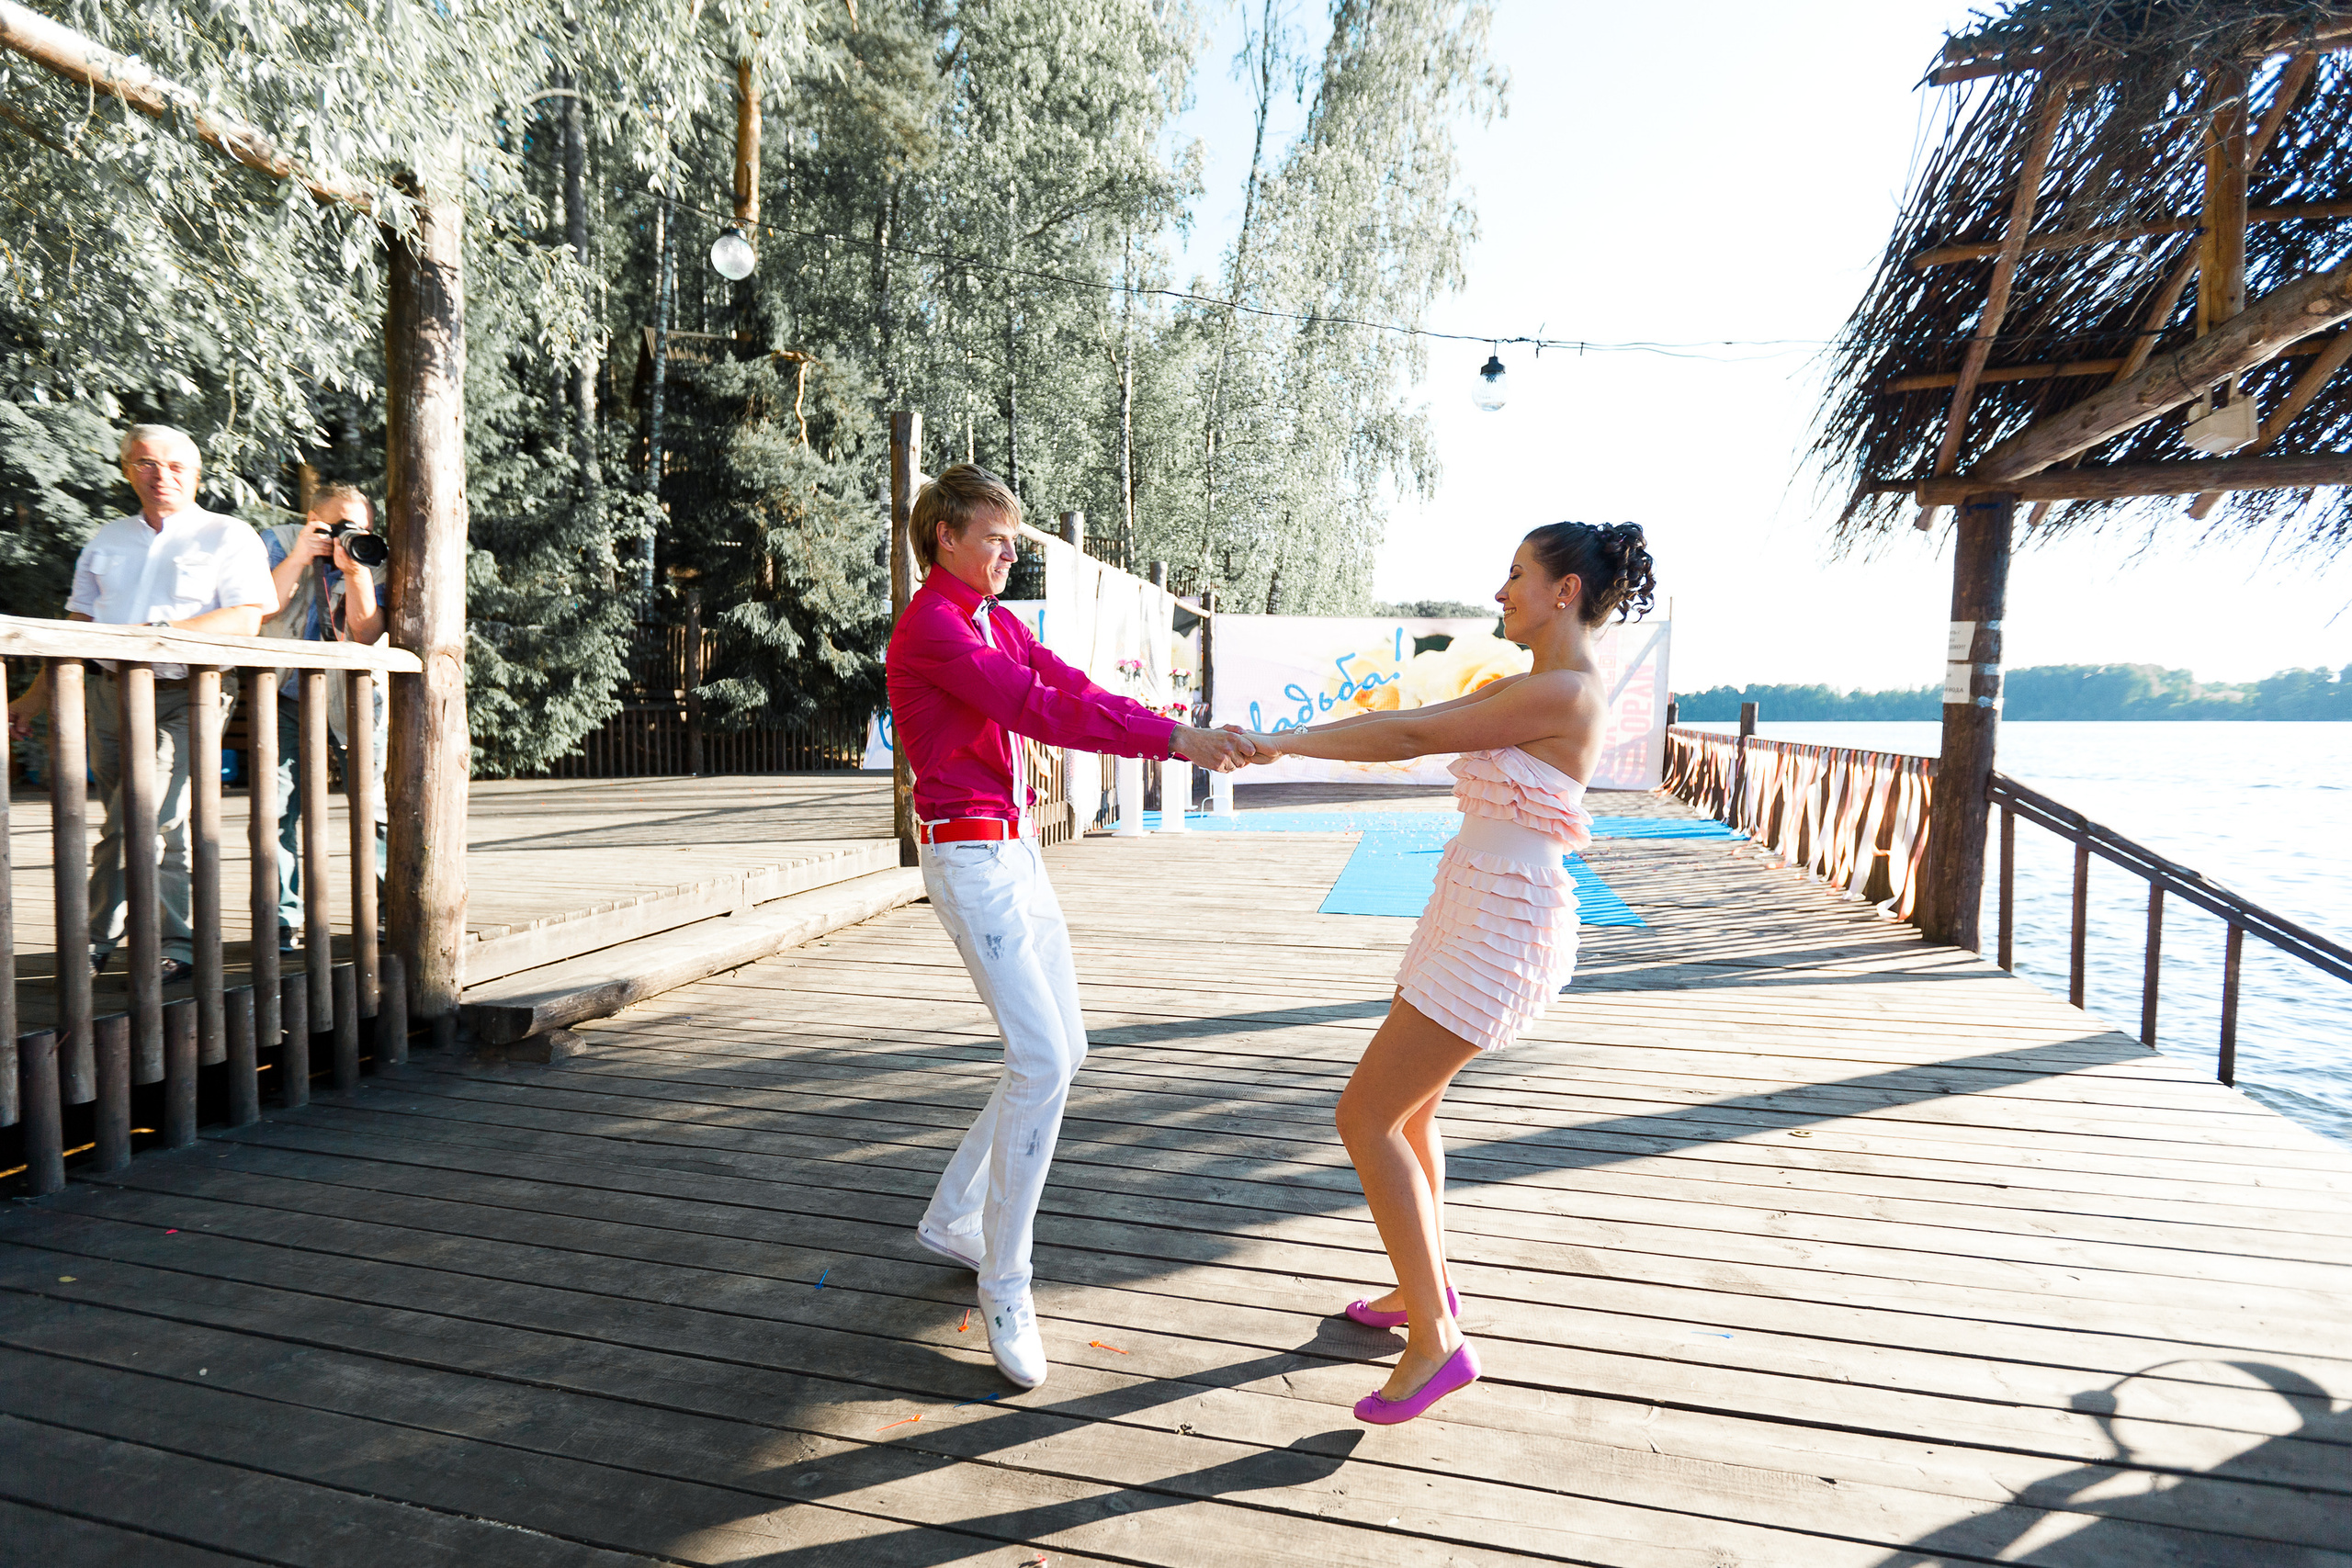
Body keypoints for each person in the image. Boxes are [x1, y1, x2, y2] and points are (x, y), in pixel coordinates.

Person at [1231, 521, 1657, 1426]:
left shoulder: (1567, 693)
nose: (1499, 591)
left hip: (1501, 924)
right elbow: (1410, 720)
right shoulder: (1536, 682)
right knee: (1410, 1112)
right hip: (1468, 903)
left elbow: (1414, 732)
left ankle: (1436, 1345)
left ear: (1563, 592)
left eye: (1516, 576)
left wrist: (1285, 742)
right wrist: (1294, 741)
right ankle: (1422, 1291)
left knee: (1364, 1114)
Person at [886, 463, 1258, 1391]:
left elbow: (1075, 690)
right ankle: (1003, 1281)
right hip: (968, 859)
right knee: (1042, 1061)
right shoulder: (931, 629)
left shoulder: (997, 623)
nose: (1011, 551)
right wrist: (1176, 744)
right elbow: (1034, 710)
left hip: (1014, 853)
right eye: (997, 538)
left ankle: (952, 1216)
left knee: (1064, 1052)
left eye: (1014, 538)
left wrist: (1183, 731)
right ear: (947, 537)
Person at [5, 424, 278, 982]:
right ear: (128, 470)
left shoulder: (227, 535)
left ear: (197, 474)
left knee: (140, 816)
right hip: (108, 695)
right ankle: (177, 943)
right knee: (146, 821)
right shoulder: (107, 538)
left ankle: (97, 939)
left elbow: (246, 618)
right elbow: (78, 624)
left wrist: (153, 633)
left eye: (176, 466)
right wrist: (31, 699)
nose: (162, 476)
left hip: (188, 693)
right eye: (147, 464)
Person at [260, 483, 389, 951]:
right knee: (274, 808)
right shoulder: (274, 541)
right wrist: (298, 557)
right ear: (311, 516)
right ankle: (280, 919)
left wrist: (354, 572)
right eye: (338, 526)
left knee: (373, 806)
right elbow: (258, 607)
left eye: (359, 527)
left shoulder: (372, 555)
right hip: (280, 693)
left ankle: (382, 915)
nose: (348, 535)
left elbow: (367, 631)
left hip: (352, 693)